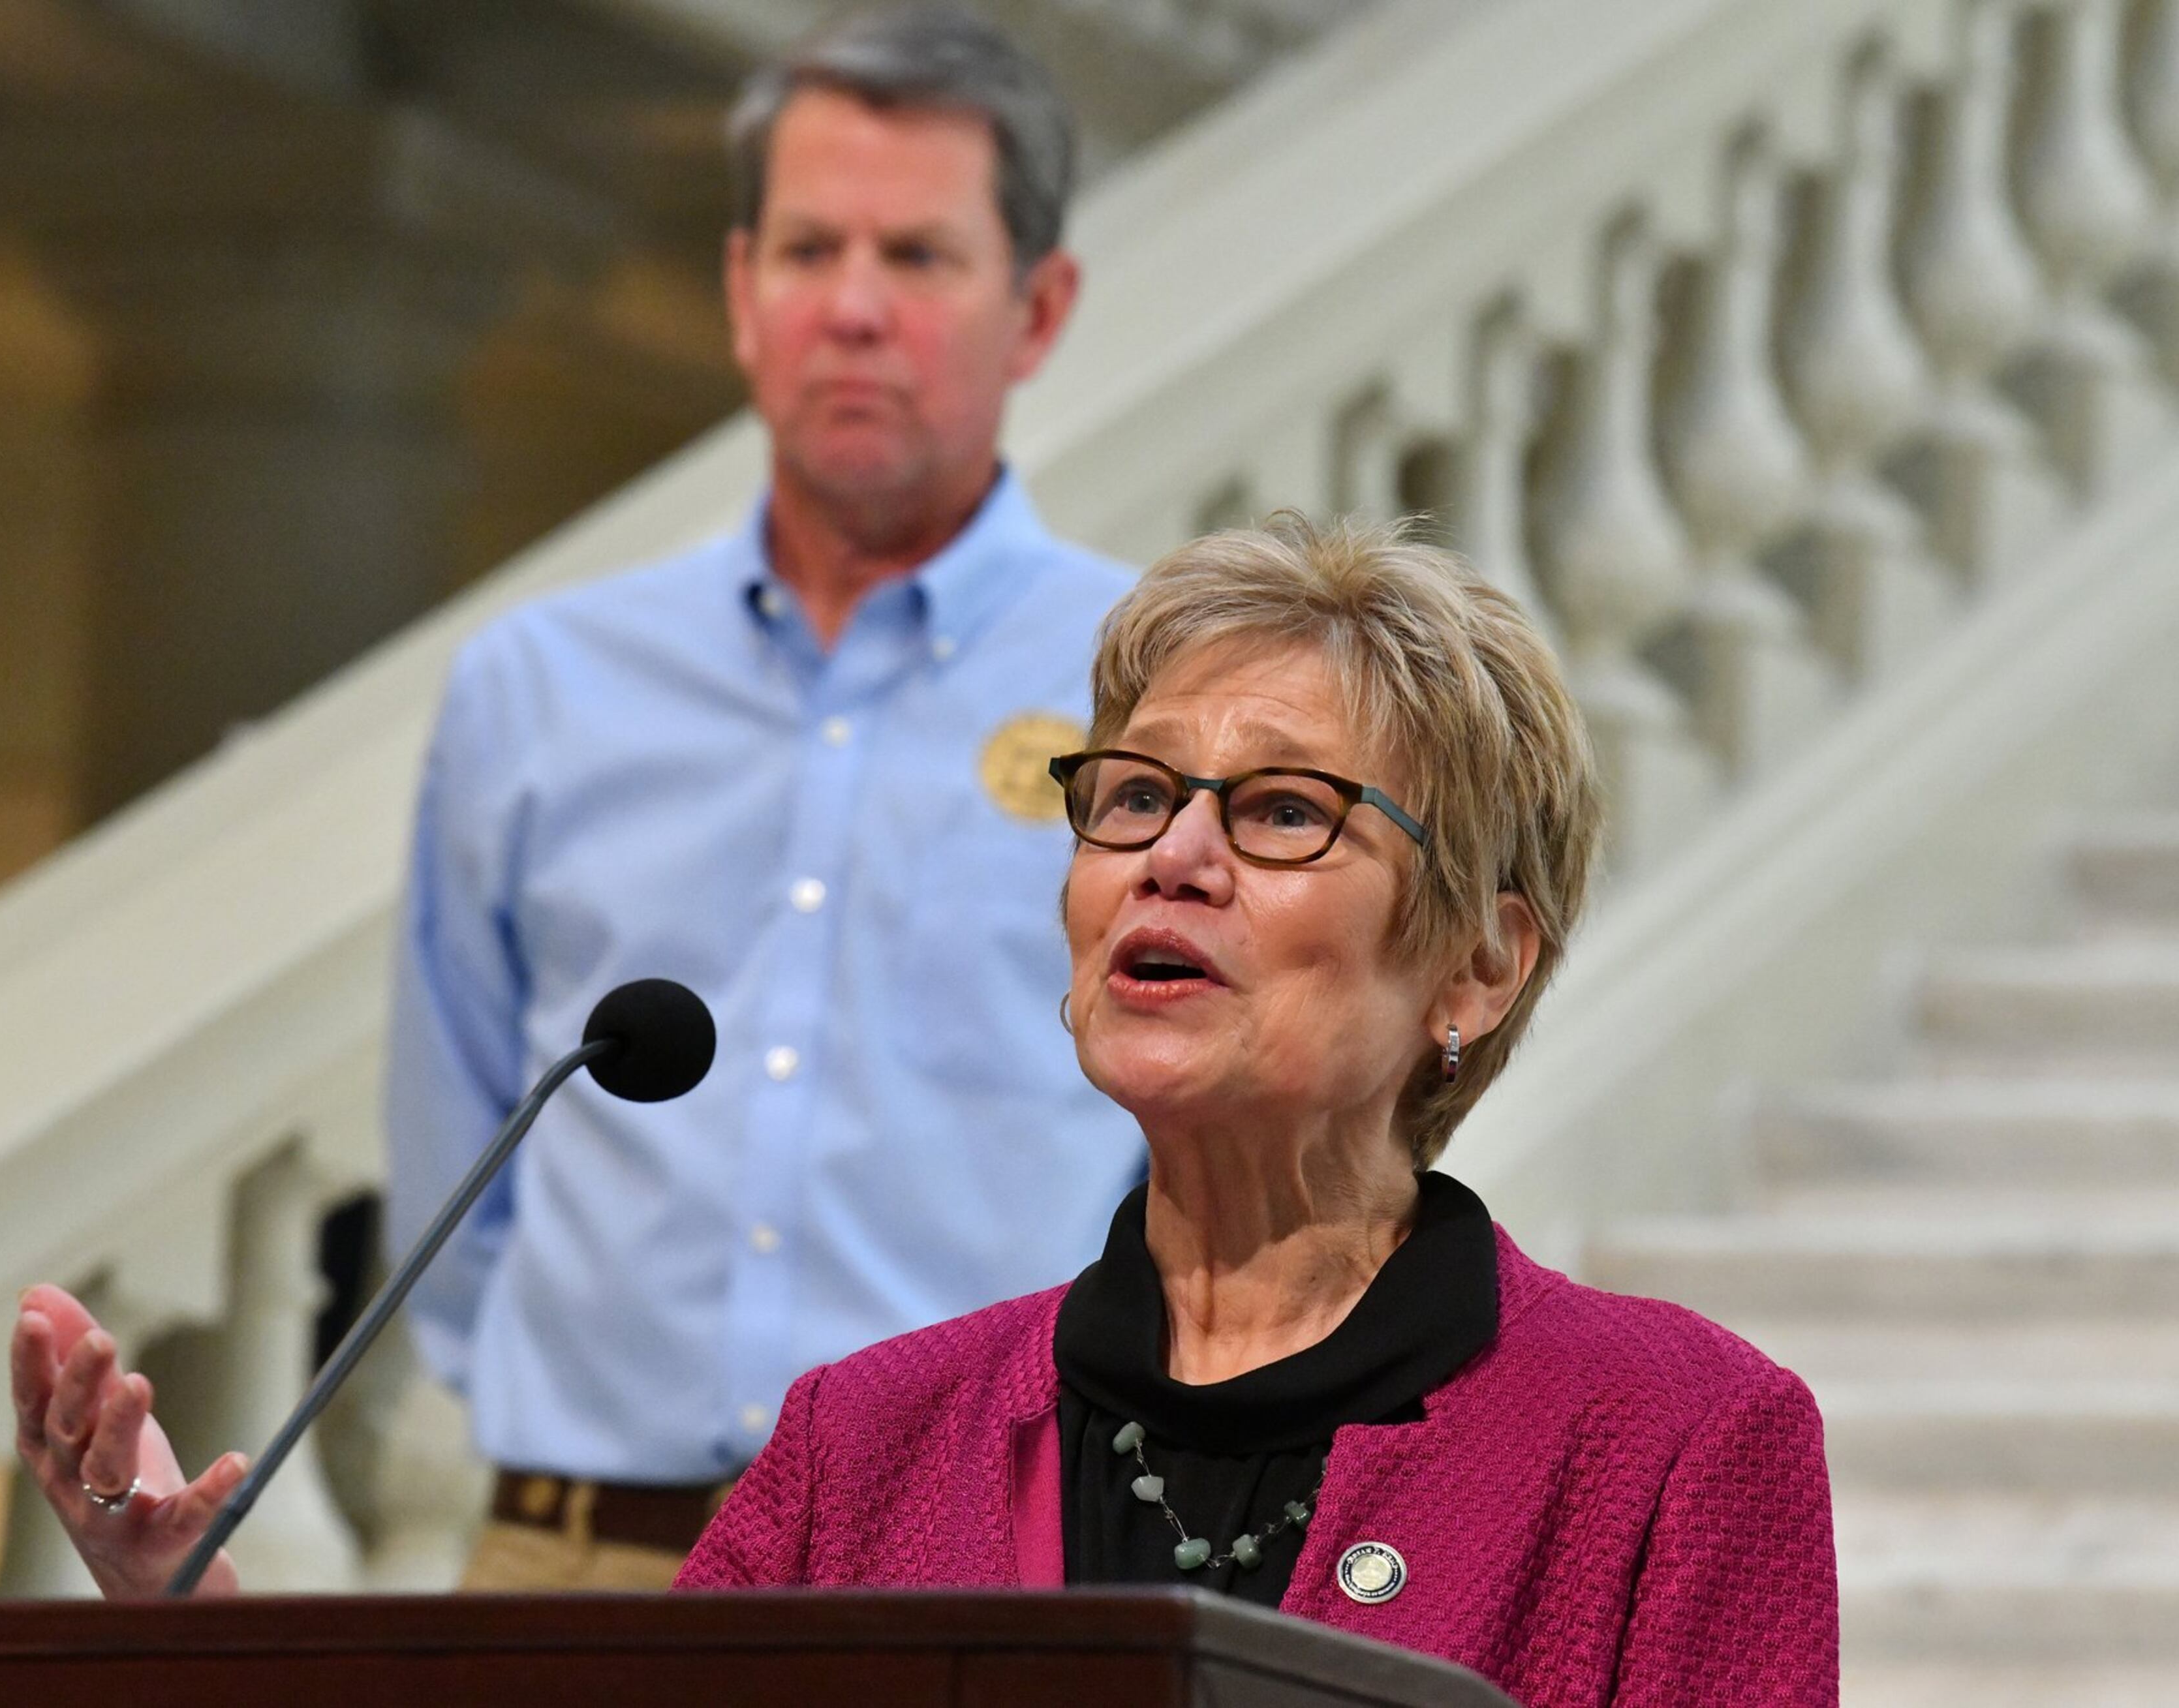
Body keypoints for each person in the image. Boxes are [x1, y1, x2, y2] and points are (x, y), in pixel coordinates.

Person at [7, 6, 1147, 1597]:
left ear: (1039, 308)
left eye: (921, 256)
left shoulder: (1149, 690)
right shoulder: (541, 688)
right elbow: (456, 1151)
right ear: (743, 293)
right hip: (575, 1567)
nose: (857, 309)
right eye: (811, 249)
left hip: (978, 1568)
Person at [674, 516, 1839, 1707]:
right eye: (1135, 794)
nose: (1171, 857)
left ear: (1477, 967)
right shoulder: (863, 1444)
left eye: (1285, 810)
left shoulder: (1673, 1440)